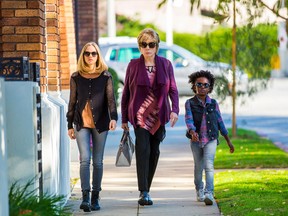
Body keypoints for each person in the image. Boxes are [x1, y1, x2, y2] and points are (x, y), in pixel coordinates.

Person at [121, 28, 180, 206]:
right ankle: (143, 192)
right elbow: (126, 93)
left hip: (159, 115)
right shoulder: (133, 65)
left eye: (151, 44)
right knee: (143, 151)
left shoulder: (166, 64)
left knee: (154, 152)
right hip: (139, 116)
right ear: (139, 47)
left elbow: (173, 90)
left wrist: (174, 110)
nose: (147, 48)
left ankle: (147, 187)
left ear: (157, 46)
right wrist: (124, 118)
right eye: (143, 44)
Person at [66, 42, 118, 212]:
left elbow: (111, 100)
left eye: (93, 53)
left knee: (98, 161)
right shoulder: (76, 77)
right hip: (81, 123)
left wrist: (114, 118)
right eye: (87, 53)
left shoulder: (105, 77)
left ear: (98, 56)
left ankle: (96, 197)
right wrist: (69, 125)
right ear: (83, 56)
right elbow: (72, 102)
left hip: (101, 123)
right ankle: (85, 197)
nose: (90, 56)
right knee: (84, 160)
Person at [184, 70, 234, 205]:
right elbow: (188, 119)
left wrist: (228, 141)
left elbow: (220, 122)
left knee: (209, 166)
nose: (202, 87)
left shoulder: (213, 103)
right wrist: (192, 131)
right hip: (196, 140)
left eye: (205, 85)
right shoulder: (190, 103)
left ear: (210, 87)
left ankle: (209, 193)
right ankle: (199, 190)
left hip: (211, 138)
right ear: (194, 86)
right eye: (199, 84)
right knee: (198, 167)